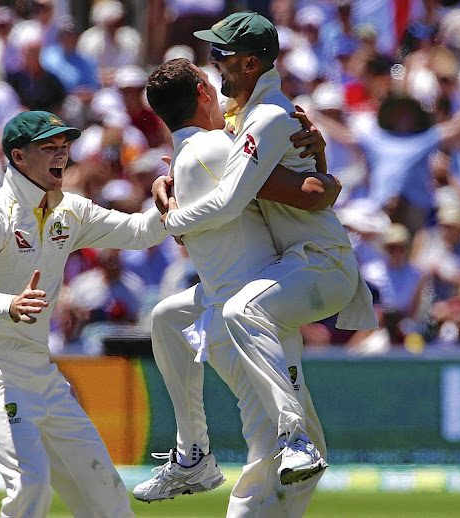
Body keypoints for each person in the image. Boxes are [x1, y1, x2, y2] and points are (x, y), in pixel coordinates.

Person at [160, 12, 377, 487]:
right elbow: (310, 186)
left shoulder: (268, 115)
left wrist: (171, 217)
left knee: (241, 311)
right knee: (166, 318)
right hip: (288, 265)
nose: (215, 63)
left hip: (322, 264)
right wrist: (170, 182)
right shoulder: (239, 115)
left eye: (224, 56)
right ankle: (191, 453)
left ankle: (292, 438)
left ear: (253, 63)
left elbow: (238, 198)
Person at [134, 57, 338, 515]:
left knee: (166, 316)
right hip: (251, 326)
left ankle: (193, 453)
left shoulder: (190, 156)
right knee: (267, 478)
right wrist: (325, 170)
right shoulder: (212, 150)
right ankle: (194, 456)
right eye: (212, 84)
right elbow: (307, 193)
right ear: (203, 93)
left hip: (225, 309)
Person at [0, 110, 171, 518]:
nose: (61, 155)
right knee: (31, 486)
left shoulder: (70, 211)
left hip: (41, 372)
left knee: (106, 492)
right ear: (18, 156)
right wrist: (10, 304)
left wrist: (171, 195)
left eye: (64, 147)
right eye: (48, 147)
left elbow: (142, 232)